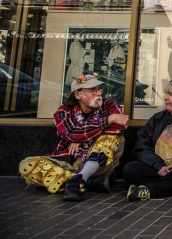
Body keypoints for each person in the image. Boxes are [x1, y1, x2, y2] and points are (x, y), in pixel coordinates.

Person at [18, 73, 129, 201]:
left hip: (99, 163)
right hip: (70, 162)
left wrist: (80, 137)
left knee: (112, 137)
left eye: (99, 90)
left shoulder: (110, 106)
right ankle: (87, 181)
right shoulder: (63, 111)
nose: (98, 94)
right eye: (93, 90)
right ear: (78, 94)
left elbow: (118, 128)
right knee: (26, 165)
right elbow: (71, 133)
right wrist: (108, 120)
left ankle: (79, 178)